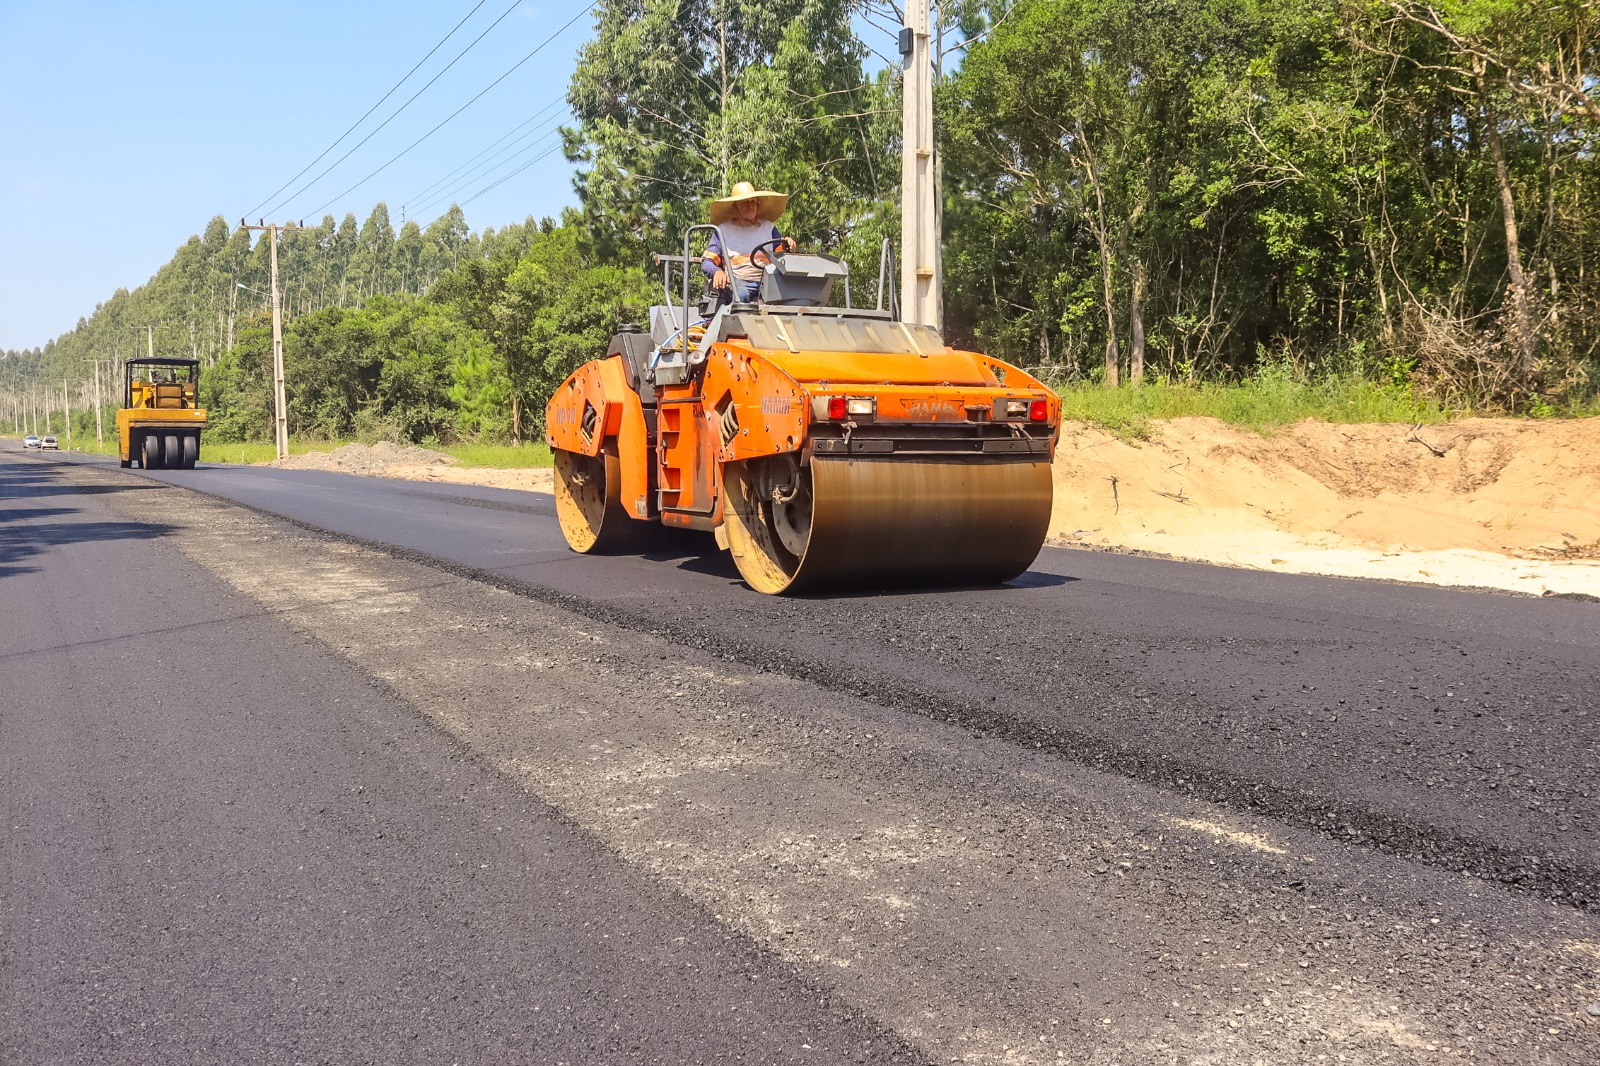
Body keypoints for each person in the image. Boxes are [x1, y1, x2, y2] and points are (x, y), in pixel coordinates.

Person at [703, 181, 796, 302]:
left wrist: (788, 243)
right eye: (745, 202)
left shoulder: (768, 227)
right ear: (734, 207)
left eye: (753, 202)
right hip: (738, 281)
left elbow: (782, 256)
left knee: (795, 297)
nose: (750, 206)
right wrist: (717, 272)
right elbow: (707, 261)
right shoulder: (723, 230)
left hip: (767, 281)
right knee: (740, 296)